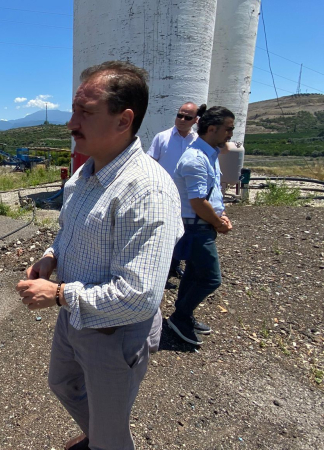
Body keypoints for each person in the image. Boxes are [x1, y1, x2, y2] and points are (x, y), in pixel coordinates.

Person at [16, 61, 183, 450]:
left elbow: (139, 296)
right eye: (74, 110)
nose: (71, 123)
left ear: (123, 120)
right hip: (75, 315)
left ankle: (106, 440)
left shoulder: (148, 191)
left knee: (110, 432)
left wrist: (59, 294)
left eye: (85, 112)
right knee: (63, 382)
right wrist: (51, 258)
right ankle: (101, 436)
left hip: (114, 332)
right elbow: (69, 232)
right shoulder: (85, 173)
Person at [168, 106, 235, 346]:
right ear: (212, 128)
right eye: (228, 129)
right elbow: (197, 201)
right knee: (210, 278)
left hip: (202, 224)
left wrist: (221, 214)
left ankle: (183, 314)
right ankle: (180, 317)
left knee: (194, 273)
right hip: (196, 228)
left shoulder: (209, 155)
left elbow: (211, 193)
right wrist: (218, 223)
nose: (231, 134)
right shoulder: (196, 159)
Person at [147, 102, 205, 288]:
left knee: (182, 234)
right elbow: (150, 163)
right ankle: (160, 275)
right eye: (180, 115)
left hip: (187, 197)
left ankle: (174, 267)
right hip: (163, 195)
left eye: (187, 117)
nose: (182, 119)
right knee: (163, 236)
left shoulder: (198, 141)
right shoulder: (162, 137)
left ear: (196, 120)